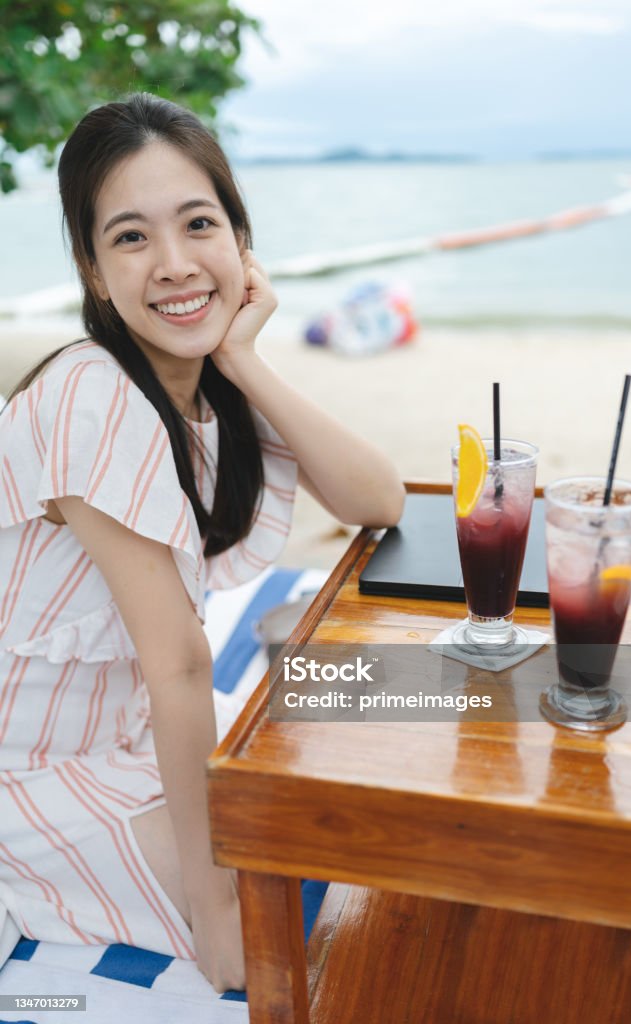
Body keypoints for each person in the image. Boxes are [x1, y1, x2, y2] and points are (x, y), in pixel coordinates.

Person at [0, 93, 405, 992]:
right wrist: (218, 916)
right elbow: (180, 665)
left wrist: (244, 359)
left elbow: (377, 499)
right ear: (94, 272)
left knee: (368, 770)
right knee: (301, 870)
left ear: (241, 242)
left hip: (124, 735)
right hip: (25, 774)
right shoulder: (89, 394)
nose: (177, 264)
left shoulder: (201, 388)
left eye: (198, 224)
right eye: (133, 238)